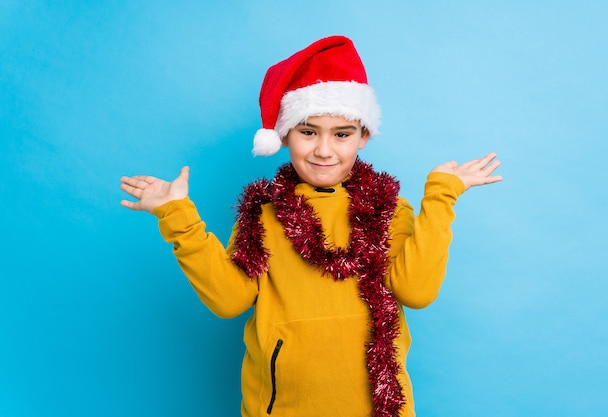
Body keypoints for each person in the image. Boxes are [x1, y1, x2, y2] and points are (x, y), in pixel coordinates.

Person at [120, 35, 502, 417]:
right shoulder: (261, 213)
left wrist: (441, 197)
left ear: (363, 136)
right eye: (308, 132)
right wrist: (177, 216)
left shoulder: (387, 209)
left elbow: (416, 291)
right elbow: (229, 299)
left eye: (341, 134)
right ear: (284, 135)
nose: (323, 150)